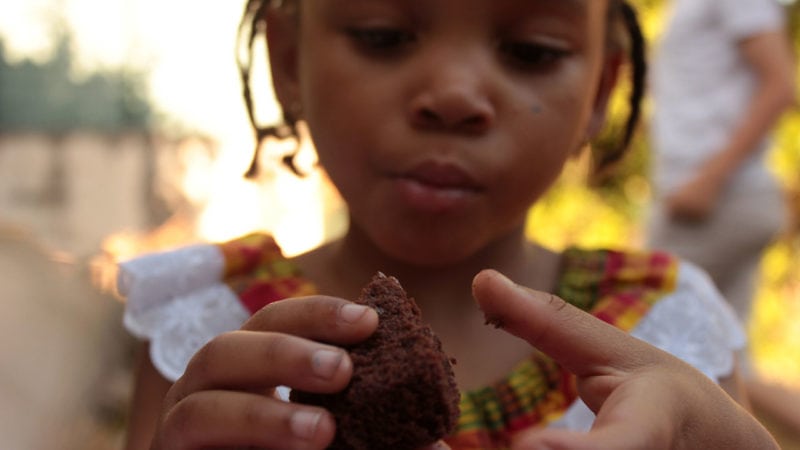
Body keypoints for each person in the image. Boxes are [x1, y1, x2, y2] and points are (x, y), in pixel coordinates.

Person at [119, 1, 780, 449]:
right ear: (289, 64)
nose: (455, 96)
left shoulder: (666, 334)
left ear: (600, 95)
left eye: (531, 50)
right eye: (383, 35)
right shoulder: (208, 335)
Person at [646, 0, 799, 432]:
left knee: (631, 334)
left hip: (716, 204)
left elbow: (780, 84)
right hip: (721, 200)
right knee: (733, 368)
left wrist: (709, 180)